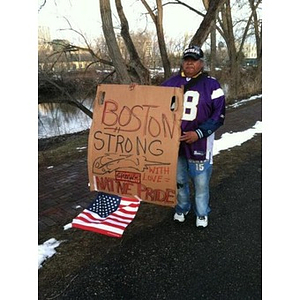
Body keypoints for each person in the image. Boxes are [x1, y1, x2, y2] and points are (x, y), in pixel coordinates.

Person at [161, 45, 226, 228]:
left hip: (200, 143)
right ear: (182, 62)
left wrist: (198, 133)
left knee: (201, 181)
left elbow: (219, 115)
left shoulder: (212, 84)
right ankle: (182, 208)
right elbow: (152, 103)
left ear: (201, 63)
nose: (189, 63)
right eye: (187, 59)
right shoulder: (170, 83)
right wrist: (135, 92)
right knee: (179, 180)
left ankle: (202, 212)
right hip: (175, 143)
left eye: (194, 60)